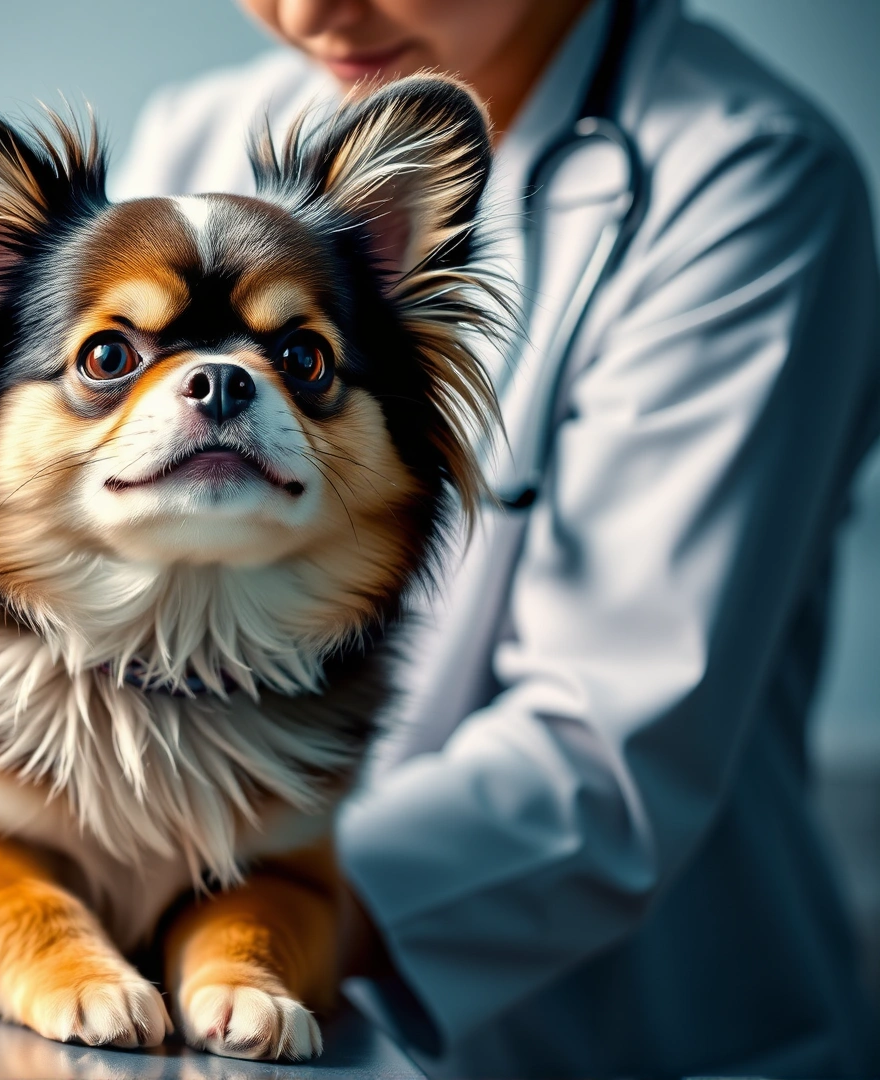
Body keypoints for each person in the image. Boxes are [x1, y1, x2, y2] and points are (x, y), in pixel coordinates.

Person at [114, 0, 880, 1075]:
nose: (306, 13)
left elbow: (601, 760)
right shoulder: (199, 143)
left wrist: (225, 912)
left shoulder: (743, 181)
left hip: (622, 1042)